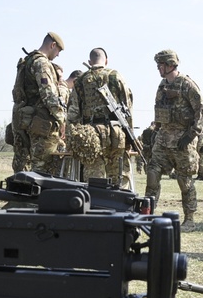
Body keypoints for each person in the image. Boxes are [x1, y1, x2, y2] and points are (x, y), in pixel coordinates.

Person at [144, 50, 203, 231]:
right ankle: (148, 215)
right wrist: (155, 133)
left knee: (184, 180)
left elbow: (202, 111)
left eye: (160, 65)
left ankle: (190, 218)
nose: (158, 68)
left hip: (182, 141)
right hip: (163, 139)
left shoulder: (187, 85)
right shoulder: (162, 86)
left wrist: (192, 134)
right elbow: (160, 112)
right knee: (152, 173)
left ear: (170, 65)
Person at [66, 47, 133, 188]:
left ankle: (94, 207)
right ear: (106, 61)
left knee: (94, 180)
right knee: (119, 179)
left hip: (90, 136)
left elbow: (73, 113)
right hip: (116, 134)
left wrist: (71, 138)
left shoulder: (80, 81)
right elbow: (128, 108)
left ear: (90, 62)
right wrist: (130, 138)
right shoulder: (115, 76)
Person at [11, 33, 66, 174]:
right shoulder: (42, 63)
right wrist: (62, 120)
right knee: (43, 170)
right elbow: (49, 95)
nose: (58, 55)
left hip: (24, 120)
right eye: (58, 51)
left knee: (24, 167)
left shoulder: (27, 60)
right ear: (52, 45)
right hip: (40, 124)